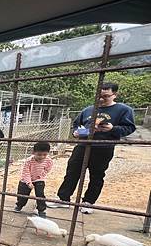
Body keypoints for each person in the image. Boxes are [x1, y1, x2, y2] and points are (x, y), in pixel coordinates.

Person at [48, 82, 135, 214]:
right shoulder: (88, 109)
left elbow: (129, 128)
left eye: (105, 96)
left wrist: (113, 128)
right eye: (99, 95)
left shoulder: (123, 110)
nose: (101, 99)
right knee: (72, 171)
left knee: (97, 175)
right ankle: (63, 199)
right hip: (83, 145)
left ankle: (88, 202)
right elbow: (77, 126)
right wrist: (77, 133)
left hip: (103, 147)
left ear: (114, 95)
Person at [14, 142, 53, 218]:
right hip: (26, 179)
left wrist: (42, 175)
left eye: (44, 155)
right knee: (23, 194)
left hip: (39, 179)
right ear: (33, 152)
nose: (42, 157)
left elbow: (48, 168)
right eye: (39, 154)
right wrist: (28, 182)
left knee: (40, 194)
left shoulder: (48, 160)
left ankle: (41, 210)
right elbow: (26, 172)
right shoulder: (29, 161)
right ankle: (19, 205)